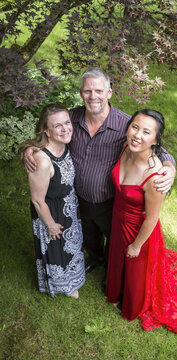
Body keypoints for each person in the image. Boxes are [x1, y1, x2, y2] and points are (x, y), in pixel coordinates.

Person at [24, 68, 176, 281]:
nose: (93, 96)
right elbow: (49, 130)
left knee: (114, 238)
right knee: (89, 235)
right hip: (79, 198)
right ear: (81, 93)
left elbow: (158, 149)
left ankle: (113, 269)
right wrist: (30, 149)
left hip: (109, 200)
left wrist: (170, 167)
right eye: (87, 91)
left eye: (98, 91)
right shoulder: (71, 119)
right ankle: (95, 258)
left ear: (109, 93)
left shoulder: (126, 124)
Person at [106, 109, 177, 338]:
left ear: (155, 140)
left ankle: (133, 303)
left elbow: (152, 218)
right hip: (118, 219)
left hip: (138, 230)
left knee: (136, 267)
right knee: (117, 258)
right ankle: (116, 288)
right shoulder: (126, 149)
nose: (137, 135)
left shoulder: (155, 177)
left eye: (146, 132)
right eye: (134, 127)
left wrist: (136, 245)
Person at [20, 104, 85, 299]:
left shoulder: (65, 145)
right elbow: (37, 200)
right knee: (57, 250)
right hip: (50, 212)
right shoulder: (42, 160)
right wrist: (50, 225)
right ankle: (60, 284)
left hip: (68, 207)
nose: (65, 129)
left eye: (67, 122)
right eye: (57, 126)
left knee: (70, 247)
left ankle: (72, 277)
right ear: (46, 131)